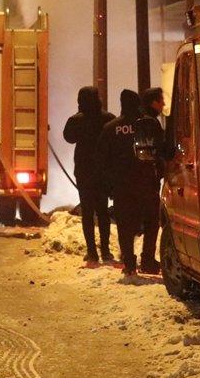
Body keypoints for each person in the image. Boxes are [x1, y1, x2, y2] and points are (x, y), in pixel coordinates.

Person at [97, 89, 162, 277]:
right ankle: (148, 260)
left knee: (124, 226)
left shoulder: (111, 128)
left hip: (122, 186)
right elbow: (161, 149)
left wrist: (109, 184)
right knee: (151, 222)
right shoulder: (150, 124)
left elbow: (101, 159)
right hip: (147, 182)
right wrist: (158, 174)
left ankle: (130, 264)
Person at [63, 86, 115, 265]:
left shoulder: (76, 120)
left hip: (84, 172)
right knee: (103, 211)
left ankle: (92, 252)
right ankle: (106, 250)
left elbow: (68, 138)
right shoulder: (109, 119)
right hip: (103, 171)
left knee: (87, 212)